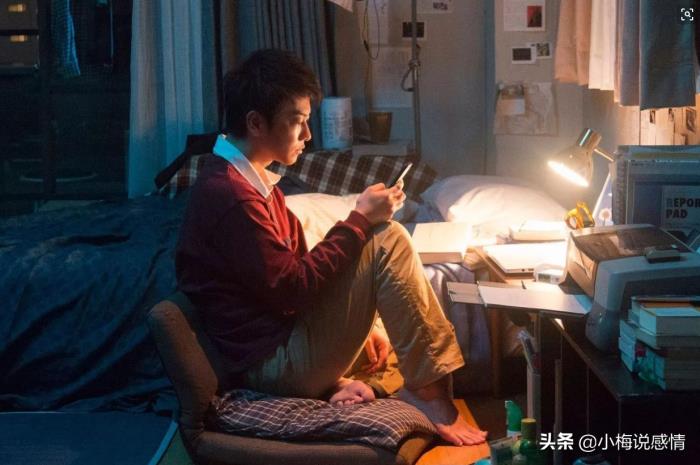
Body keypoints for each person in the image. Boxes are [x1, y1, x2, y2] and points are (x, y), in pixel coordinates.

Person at [175, 48, 487, 446]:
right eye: (297, 121)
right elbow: (292, 288)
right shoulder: (232, 195)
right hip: (268, 365)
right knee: (387, 239)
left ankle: (374, 384)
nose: (308, 135)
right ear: (255, 122)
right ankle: (429, 396)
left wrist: (355, 323)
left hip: (278, 342)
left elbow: (292, 273)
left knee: (386, 320)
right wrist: (358, 219)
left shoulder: (251, 180)